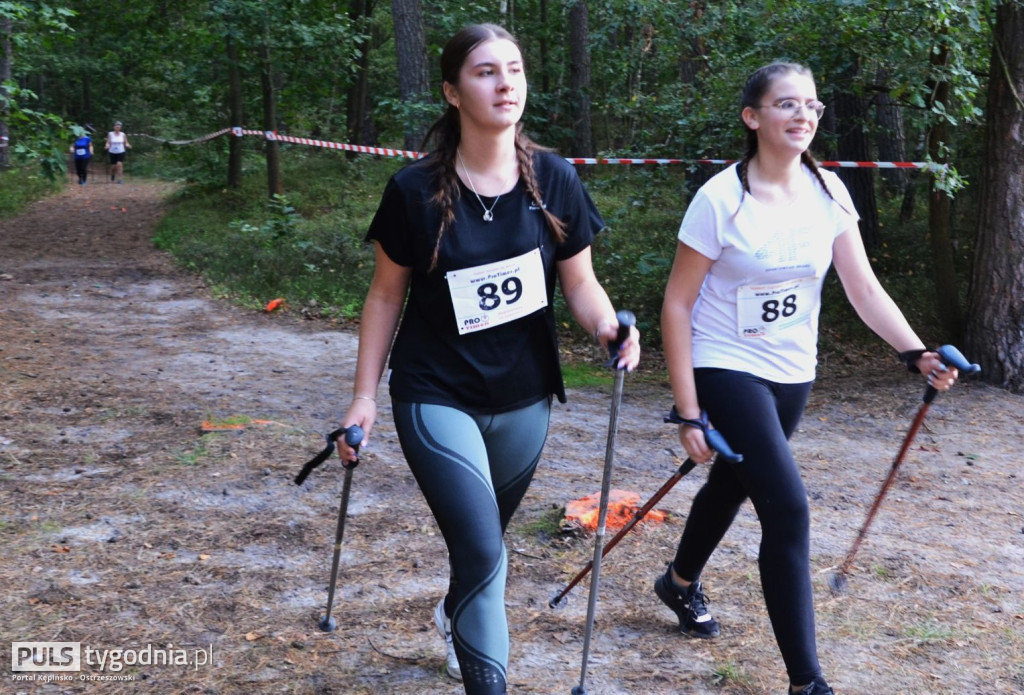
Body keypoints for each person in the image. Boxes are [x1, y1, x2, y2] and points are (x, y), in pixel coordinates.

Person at [336, 23, 639, 695]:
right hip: (434, 391)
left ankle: (453, 613)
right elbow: (385, 297)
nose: (505, 83)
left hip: (524, 397)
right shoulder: (414, 190)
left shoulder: (553, 178)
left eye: (515, 70)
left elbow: (581, 282)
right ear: (451, 91)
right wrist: (363, 396)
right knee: (482, 550)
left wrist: (607, 328)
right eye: (484, 72)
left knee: (483, 546)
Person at [657, 62, 960, 695]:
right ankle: (807, 682)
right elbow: (678, 304)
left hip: (793, 370)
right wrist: (688, 408)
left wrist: (915, 352)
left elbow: (861, 285)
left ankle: (679, 583)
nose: (804, 116)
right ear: (753, 117)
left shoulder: (829, 192)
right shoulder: (720, 199)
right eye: (787, 104)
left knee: (734, 481)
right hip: (725, 362)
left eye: (813, 107)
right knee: (788, 510)